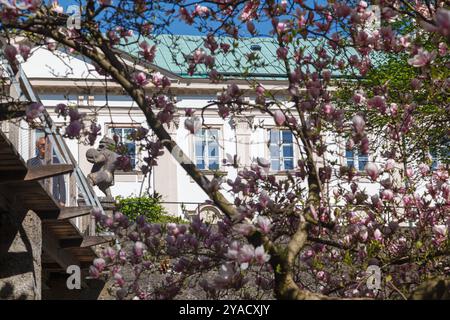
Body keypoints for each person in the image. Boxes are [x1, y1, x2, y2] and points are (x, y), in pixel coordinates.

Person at [27, 136, 66, 206]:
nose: (44, 146)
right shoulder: (30, 163)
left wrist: (62, 200)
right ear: (37, 146)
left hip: (54, 199)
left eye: (46, 144)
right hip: (37, 198)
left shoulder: (56, 162)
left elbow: (61, 182)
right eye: (42, 144)